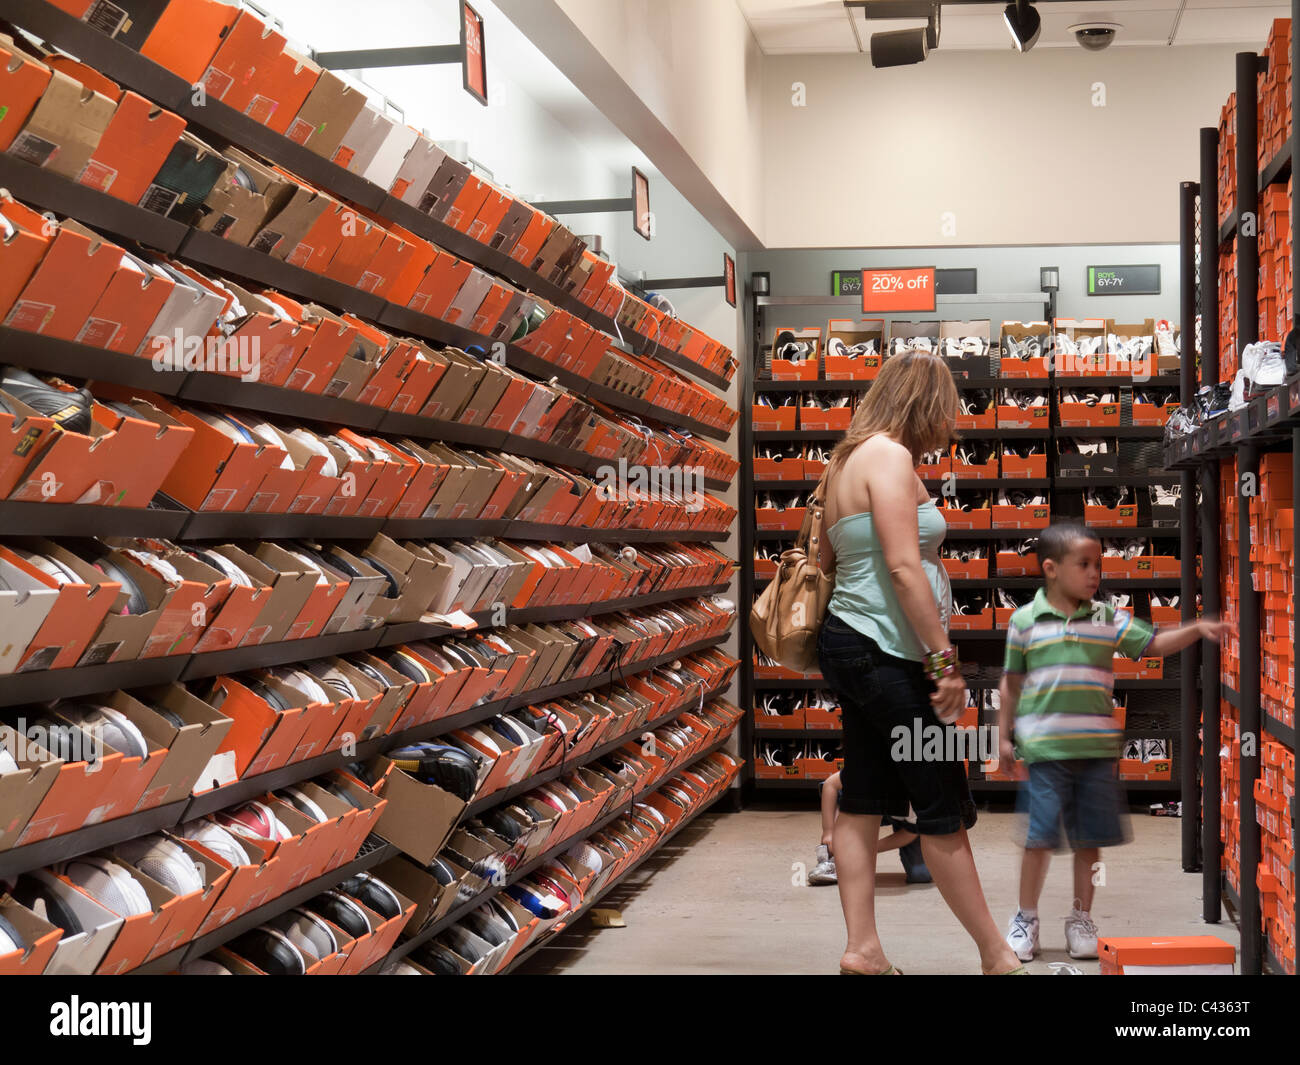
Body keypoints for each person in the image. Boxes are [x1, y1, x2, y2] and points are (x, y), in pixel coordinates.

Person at [815, 351, 1024, 976]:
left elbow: (829, 561)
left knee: (861, 799)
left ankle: (863, 951)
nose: (950, 426)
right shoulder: (890, 456)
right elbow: (905, 568)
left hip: (851, 643)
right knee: (941, 804)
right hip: (890, 652)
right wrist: (943, 663)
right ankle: (998, 958)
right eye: (946, 411)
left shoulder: (846, 459)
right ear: (926, 404)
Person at [997, 522, 1229, 961]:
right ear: (1051, 568)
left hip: (1098, 755)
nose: (1094, 573)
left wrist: (1196, 628)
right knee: (1037, 841)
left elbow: (1155, 644)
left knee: (1093, 844)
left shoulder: (1107, 619)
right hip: (1044, 753)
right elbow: (1011, 682)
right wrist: (1003, 736)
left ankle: (1082, 916)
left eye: (1098, 564)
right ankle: (1025, 917)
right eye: (1084, 564)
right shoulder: (1024, 621)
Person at [809, 772, 932, 886]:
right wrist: (828, 831)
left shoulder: (917, 795)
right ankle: (830, 859)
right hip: (866, 803)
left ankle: (843, 855)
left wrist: (870, 848)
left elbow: (910, 833)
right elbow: (830, 785)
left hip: (906, 819)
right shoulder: (870, 770)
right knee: (841, 795)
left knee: (920, 875)